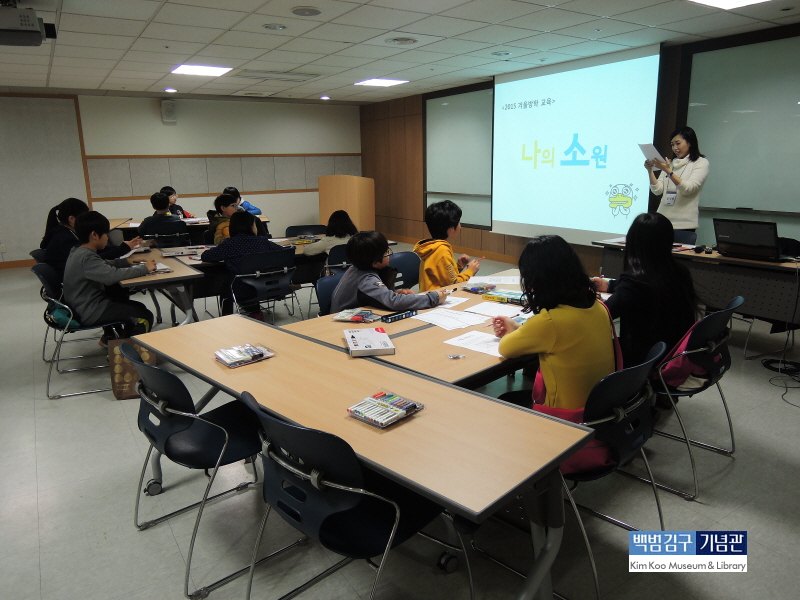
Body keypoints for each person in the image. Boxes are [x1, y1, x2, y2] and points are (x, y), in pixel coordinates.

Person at [492, 235, 616, 410]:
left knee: (504, 399)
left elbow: (505, 348)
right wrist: (517, 327)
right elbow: (558, 336)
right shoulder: (598, 307)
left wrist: (512, 331)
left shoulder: (550, 321)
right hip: (600, 408)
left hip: (564, 416)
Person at [593, 213, 699, 368]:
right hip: (673, 352)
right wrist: (610, 285)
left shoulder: (633, 281)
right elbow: (652, 285)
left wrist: (591, 297)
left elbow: (603, 314)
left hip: (642, 360)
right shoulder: (680, 272)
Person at [63, 211, 155, 343]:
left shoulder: (79, 251)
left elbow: (102, 264)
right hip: (90, 310)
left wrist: (125, 262)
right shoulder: (86, 257)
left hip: (83, 306)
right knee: (144, 317)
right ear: (94, 235)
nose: (107, 238)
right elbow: (112, 275)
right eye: (106, 234)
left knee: (139, 308)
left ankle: (121, 347)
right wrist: (145, 269)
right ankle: (127, 353)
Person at [331, 231, 446, 313]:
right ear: (374, 262)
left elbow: (375, 295)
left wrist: (393, 292)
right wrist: (433, 298)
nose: (390, 254)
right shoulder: (366, 279)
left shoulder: (356, 267)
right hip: (342, 323)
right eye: (386, 252)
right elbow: (394, 302)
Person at [200, 211, 284, 316]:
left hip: (241, 290)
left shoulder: (229, 244)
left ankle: (227, 316)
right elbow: (284, 252)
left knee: (225, 284)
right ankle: (255, 313)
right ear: (251, 227)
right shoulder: (263, 241)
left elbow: (205, 256)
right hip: (267, 286)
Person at [40, 198, 141, 278]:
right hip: (74, 282)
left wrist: (120, 248)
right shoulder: (64, 239)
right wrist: (121, 250)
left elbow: (94, 252)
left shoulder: (67, 233)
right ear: (72, 219)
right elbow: (92, 260)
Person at [646, 126, 710, 232]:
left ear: (690, 142)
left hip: (684, 225)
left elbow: (688, 189)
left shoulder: (701, 163)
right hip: (662, 221)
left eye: (678, 143)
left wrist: (668, 171)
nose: (675, 148)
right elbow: (657, 190)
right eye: (672, 144)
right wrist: (650, 170)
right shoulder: (670, 163)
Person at [414, 200, 483, 292]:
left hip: (430, 295)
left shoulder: (432, 246)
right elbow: (453, 284)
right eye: (458, 223)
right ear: (451, 229)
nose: (460, 227)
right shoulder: (441, 251)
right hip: (437, 297)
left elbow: (443, 276)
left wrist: (459, 266)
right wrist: (470, 271)